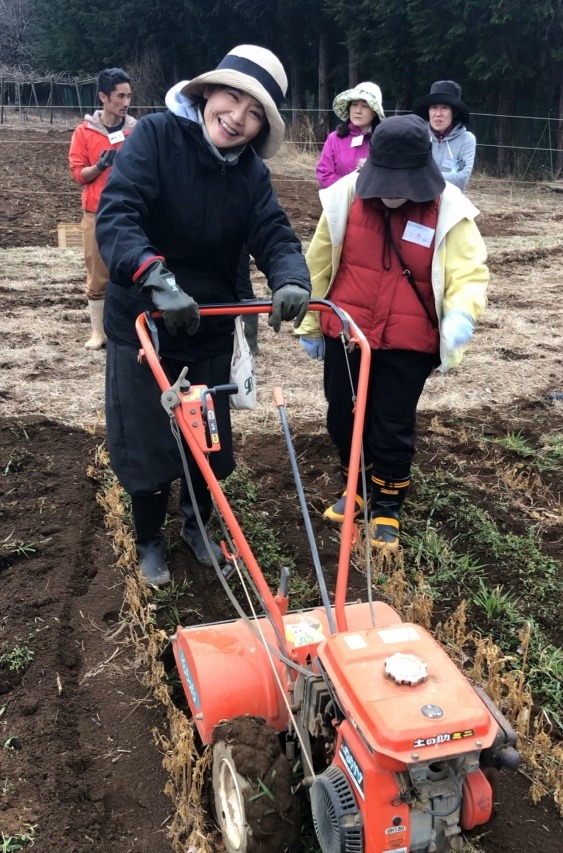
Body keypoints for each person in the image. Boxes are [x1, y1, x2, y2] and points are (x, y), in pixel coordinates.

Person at [96, 45, 311, 587]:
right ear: (207, 93)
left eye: (255, 112)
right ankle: (149, 539)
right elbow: (119, 212)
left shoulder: (251, 175)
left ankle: (198, 527)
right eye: (232, 98)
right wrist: (154, 277)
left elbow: (274, 232)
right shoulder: (156, 139)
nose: (238, 117)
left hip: (212, 321)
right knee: (146, 439)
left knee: (207, 437)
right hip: (146, 322)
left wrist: (291, 278)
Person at [298, 114, 489, 551]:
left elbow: (469, 273)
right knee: (342, 417)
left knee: (392, 423)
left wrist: (461, 313)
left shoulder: (451, 209)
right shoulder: (344, 198)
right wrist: (311, 321)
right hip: (346, 332)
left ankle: (388, 502)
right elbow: (319, 262)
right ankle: (358, 485)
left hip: (408, 341)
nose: (391, 196)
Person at [69, 68, 135, 349]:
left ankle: (132, 330)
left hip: (132, 213)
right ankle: (99, 333)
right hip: (97, 213)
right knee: (97, 273)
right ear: (103, 97)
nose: (126, 102)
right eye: (120, 96)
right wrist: (100, 166)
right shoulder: (84, 133)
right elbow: (77, 174)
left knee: (134, 270)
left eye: (129, 96)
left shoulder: (137, 130)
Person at [316, 82, 385, 189]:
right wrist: (349, 189)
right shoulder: (334, 138)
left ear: (375, 112)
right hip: (341, 202)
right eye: (354, 104)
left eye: (365, 106)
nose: (358, 111)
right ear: (349, 108)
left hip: (373, 203)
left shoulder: (384, 141)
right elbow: (324, 174)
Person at [412, 80, 476, 192]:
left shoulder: (467, 139)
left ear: (454, 112)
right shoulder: (417, 136)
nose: (438, 113)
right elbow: (409, 173)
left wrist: (424, 174)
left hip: (453, 202)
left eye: (445, 108)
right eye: (434, 107)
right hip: (421, 201)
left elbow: (462, 179)